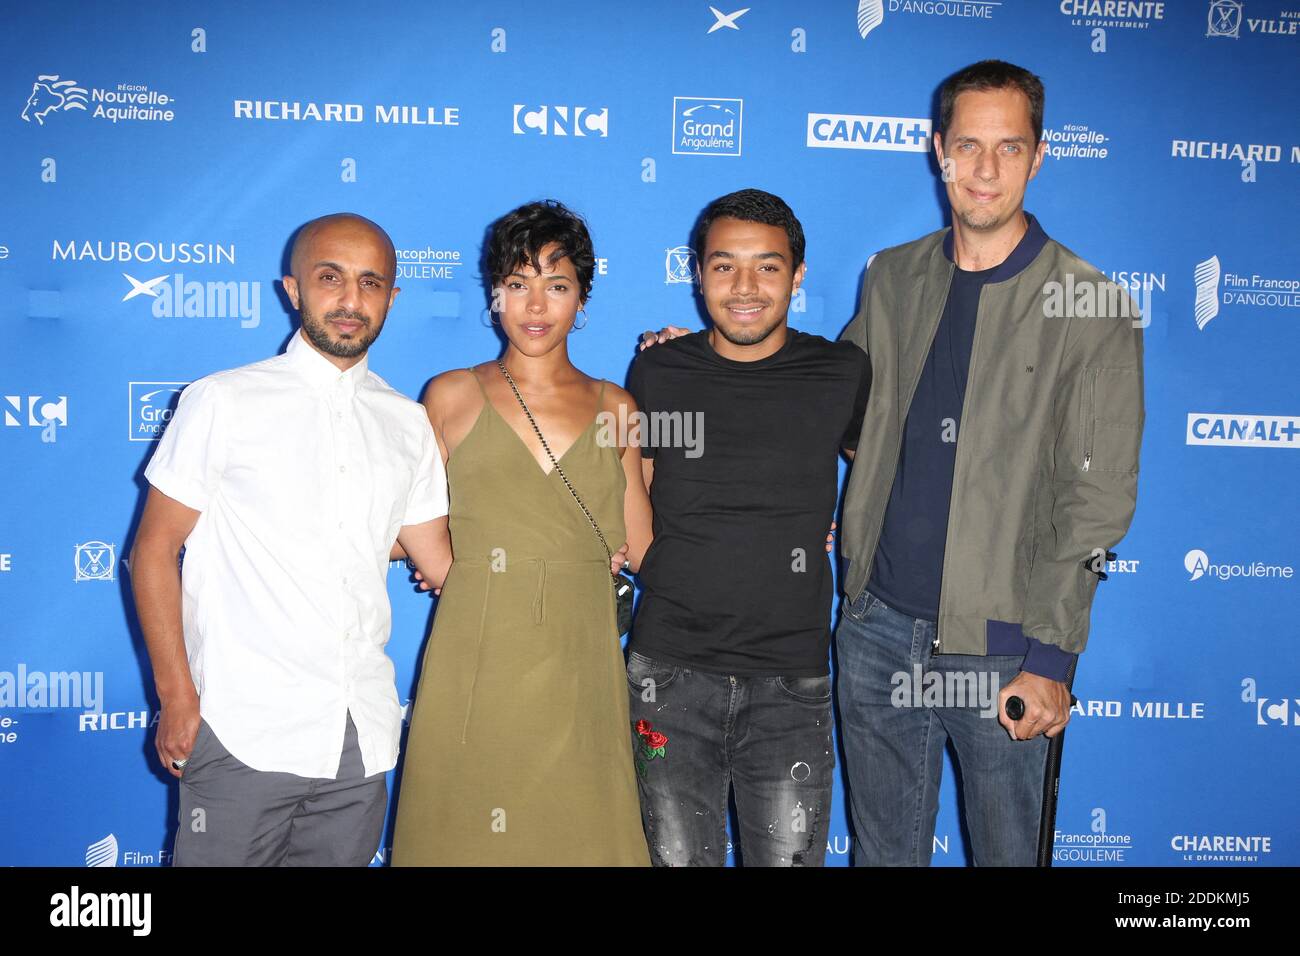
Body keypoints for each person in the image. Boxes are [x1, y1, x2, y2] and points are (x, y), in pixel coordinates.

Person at [834, 60, 1145, 865]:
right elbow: (835, 407)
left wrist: (1050, 659)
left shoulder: (1091, 304)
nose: (984, 169)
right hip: (874, 632)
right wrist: (709, 360)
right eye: (967, 145)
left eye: (1008, 149)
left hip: (1003, 648)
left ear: (1039, 157)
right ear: (938, 149)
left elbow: (1097, 496)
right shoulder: (893, 276)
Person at [131, 212, 452, 866]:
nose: (350, 300)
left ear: (392, 298)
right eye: (330, 278)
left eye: (371, 283)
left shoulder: (408, 423)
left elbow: (438, 558)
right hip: (242, 727)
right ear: (293, 289)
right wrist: (176, 696)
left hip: (359, 737)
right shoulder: (222, 401)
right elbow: (153, 551)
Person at [391, 200, 652, 866]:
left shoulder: (619, 406)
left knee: (583, 833)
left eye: (557, 285)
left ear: (583, 299)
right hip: (477, 656)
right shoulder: (449, 395)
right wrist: (442, 555)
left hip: (579, 659)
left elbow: (644, 543)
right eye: (518, 283)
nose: (536, 305)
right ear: (493, 295)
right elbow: (402, 527)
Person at [626, 189, 871, 866]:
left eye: (767, 267)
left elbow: (884, 478)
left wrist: (838, 528)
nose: (744, 287)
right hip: (667, 676)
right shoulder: (659, 369)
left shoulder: (839, 372)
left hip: (791, 681)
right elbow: (635, 484)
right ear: (697, 273)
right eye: (724, 266)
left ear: (797, 275)